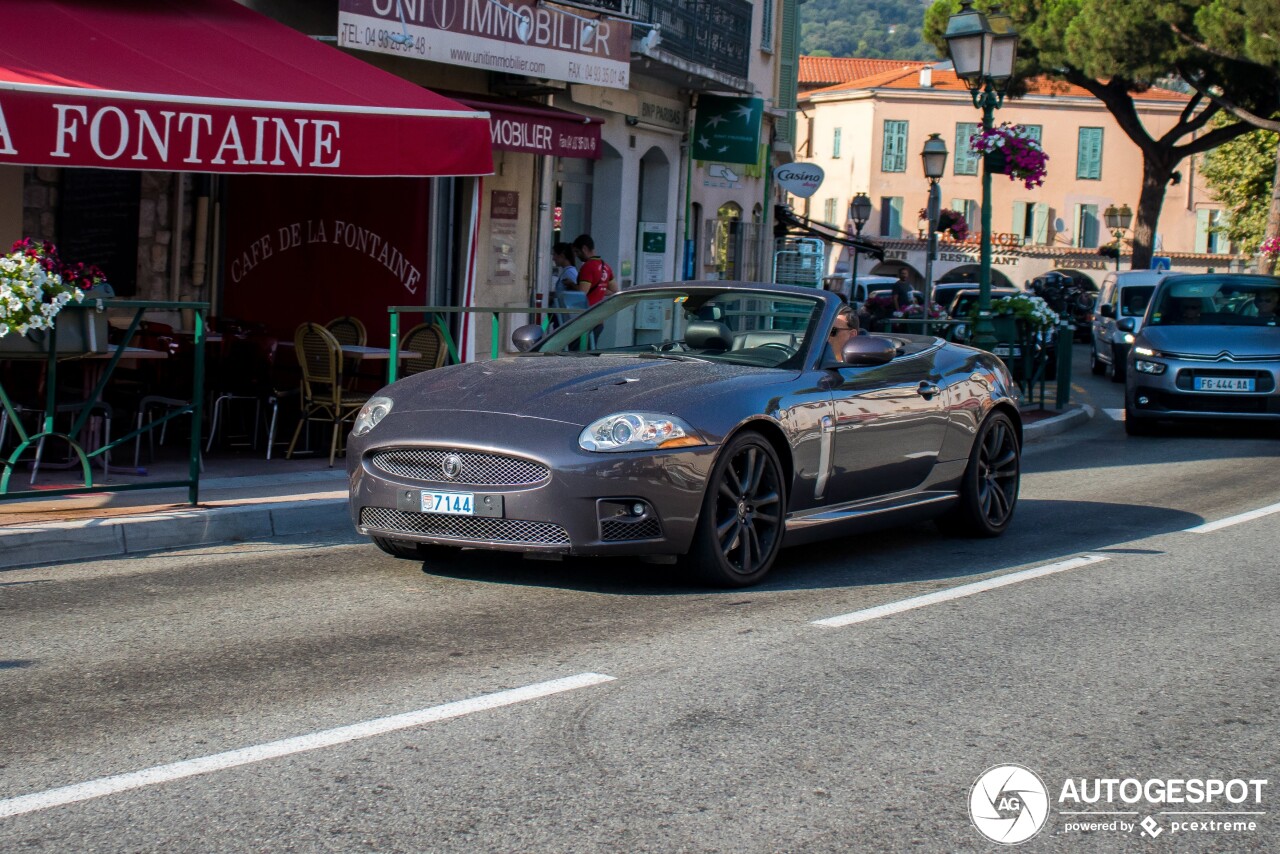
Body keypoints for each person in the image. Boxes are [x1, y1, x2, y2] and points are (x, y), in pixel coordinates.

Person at [572, 234, 618, 307]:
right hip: (598, 311)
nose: (576, 255)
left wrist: (571, 284)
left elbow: (582, 293)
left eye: (577, 251)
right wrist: (599, 290)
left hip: (586, 311)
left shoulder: (587, 267)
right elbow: (614, 290)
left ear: (584, 249)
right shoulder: (606, 267)